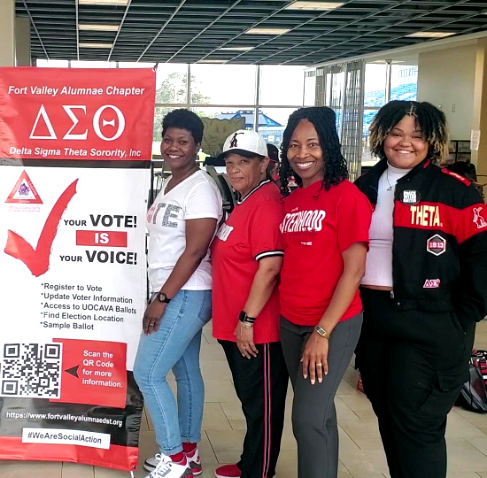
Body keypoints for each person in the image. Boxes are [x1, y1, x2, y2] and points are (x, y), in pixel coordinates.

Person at [354, 101, 487, 478]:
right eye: (396, 133)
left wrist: (462, 316)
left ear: (431, 142)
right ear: (381, 136)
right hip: (372, 320)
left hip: (430, 324)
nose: (405, 143)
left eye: (417, 136)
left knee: (417, 424)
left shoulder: (454, 191)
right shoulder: (364, 186)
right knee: (388, 415)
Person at [277, 107, 371, 478]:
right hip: (290, 321)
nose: (303, 154)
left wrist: (322, 332)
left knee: (307, 418)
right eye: (295, 145)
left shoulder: (346, 197)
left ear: (328, 148)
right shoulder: (292, 200)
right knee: (320, 413)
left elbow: (355, 271)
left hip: (332, 323)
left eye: (313, 145)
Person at [137, 109, 222, 478]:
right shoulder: (172, 183)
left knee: (147, 373)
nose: (173, 147)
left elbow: (194, 250)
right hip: (176, 291)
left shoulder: (201, 188)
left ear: (197, 146)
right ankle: (188, 452)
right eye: (168, 139)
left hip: (185, 293)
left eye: (182, 141)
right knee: (185, 372)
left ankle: (173, 458)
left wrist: (162, 298)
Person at [210, 130, 289, 478]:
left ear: (264, 164)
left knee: (263, 405)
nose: (235, 169)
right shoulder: (246, 200)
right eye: (230, 163)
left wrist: (247, 320)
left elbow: (270, 268)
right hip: (236, 323)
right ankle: (250, 463)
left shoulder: (268, 202)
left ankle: (260, 471)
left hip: (259, 328)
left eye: (244, 161)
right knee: (251, 402)